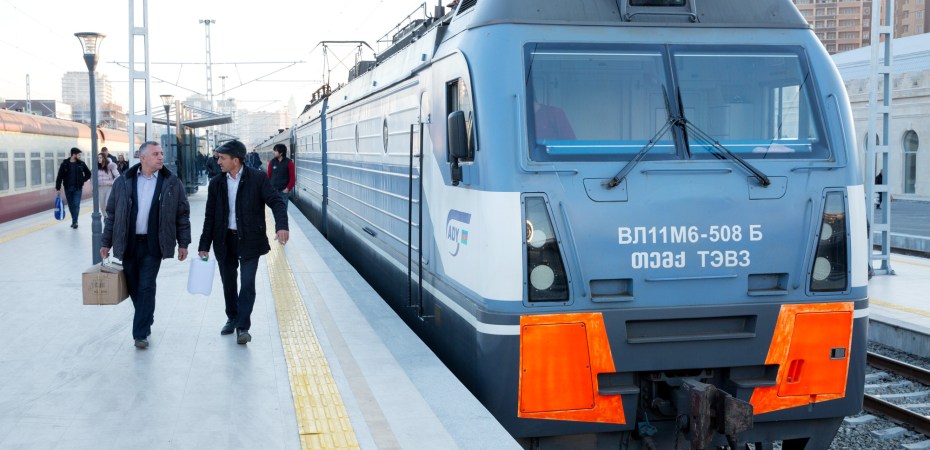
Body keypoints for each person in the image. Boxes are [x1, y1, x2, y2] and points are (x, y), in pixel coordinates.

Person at [100, 141, 191, 349]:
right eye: (155, 154)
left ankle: (139, 334)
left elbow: (182, 214)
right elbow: (112, 215)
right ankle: (146, 317)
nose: (161, 157)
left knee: (146, 286)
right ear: (142, 158)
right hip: (129, 243)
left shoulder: (171, 182)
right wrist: (106, 242)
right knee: (134, 287)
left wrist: (183, 243)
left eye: (161, 153)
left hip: (154, 244)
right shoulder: (123, 182)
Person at [198, 140, 288, 345]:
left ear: (236, 160)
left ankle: (243, 327)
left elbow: (276, 202)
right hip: (224, 240)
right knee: (229, 283)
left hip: (250, 239)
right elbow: (210, 216)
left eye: (222, 158)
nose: (218, 162)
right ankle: (232, 317)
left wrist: (282, 225)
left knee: (247, 284)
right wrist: (204, 245)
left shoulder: (257, 178)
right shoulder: (217, 183)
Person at [55, 148, 92, 229]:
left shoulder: (81, 164)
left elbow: (88, 173)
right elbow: (59, 176)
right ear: (73, 155)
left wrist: (83, 180)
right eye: (79, 155)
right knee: (71, 205)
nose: (80, 156)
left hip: (78, 188)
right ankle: (74, 220)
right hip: (67, 188)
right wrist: (58, 188)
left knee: (76, 205)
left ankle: (75, 222)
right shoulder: (64, 164)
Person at [267, 143, 296, 207]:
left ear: (281, 153)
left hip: (283, 192)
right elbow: (268, 176)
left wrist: (287, 189)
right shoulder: (272, 162)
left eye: (275, 151)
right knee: (274, 209)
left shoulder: (289, 163)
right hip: (273, 192)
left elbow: (292, 179)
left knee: (282, 210)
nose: (273, 152)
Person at [96, 152, 120, 220]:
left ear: (104, 158)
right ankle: (105, 218)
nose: (99, 159)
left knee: (107, 204)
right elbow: (93, 178)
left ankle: (110, 218)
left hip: (109, 188)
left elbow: (118, 176)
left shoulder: (110, 166)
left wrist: (112, 183)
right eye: (98, 158)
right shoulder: (96, 167)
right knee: (102, 206)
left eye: (100, 158)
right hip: (100, 188)